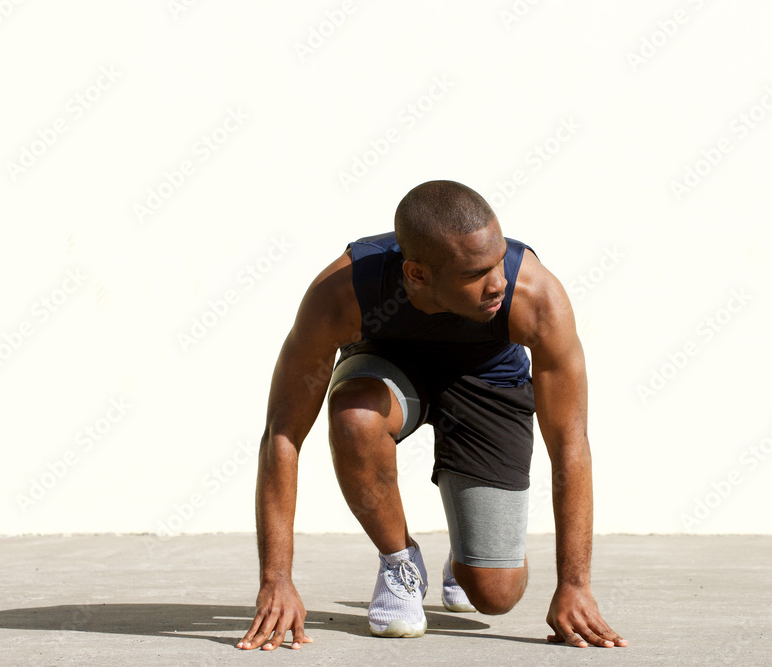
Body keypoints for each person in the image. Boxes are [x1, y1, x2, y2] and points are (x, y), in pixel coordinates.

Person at [237, 180, 625, 651]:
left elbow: (570, 443)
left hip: (487, 379)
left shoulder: (535, 296)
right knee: (355, 414)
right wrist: (276, 579)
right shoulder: (343, 293)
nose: (498, 282)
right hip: (387, 366)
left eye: (499, 260)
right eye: (476, 273)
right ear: (417, 275)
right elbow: (282, 434)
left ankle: (466, 556)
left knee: (495, 594)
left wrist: (575, 585)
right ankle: (399, 562)